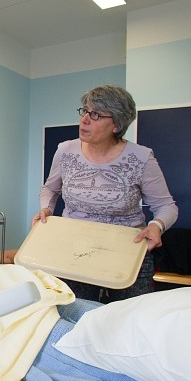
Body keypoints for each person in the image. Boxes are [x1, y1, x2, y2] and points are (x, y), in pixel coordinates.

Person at [33, 85, 178, 303]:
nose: (84, 120)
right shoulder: (65, 151)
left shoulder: (141, 157)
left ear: (117, 125)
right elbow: (50, 188)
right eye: (84, 111)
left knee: (129, 314)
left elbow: (167, 206)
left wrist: (157, 225)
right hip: (75, 248)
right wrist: (46, 208)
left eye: (96, 115)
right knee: (77, 312)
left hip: (126, 251)